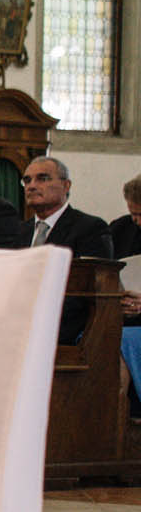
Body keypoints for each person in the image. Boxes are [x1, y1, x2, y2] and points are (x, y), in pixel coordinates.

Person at [25, 154, 112, 344]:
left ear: (66, 186)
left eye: (42, 178)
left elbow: (89, 294)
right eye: (27, 180)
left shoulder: (90, 229)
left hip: (63, 332)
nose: (31, 186)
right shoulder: (18, 232)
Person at [111, 175, 141, 417]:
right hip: (121, 316)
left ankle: (122, 422)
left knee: (122, 340)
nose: (136, 221)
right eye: (132, 213)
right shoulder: (121, 229)